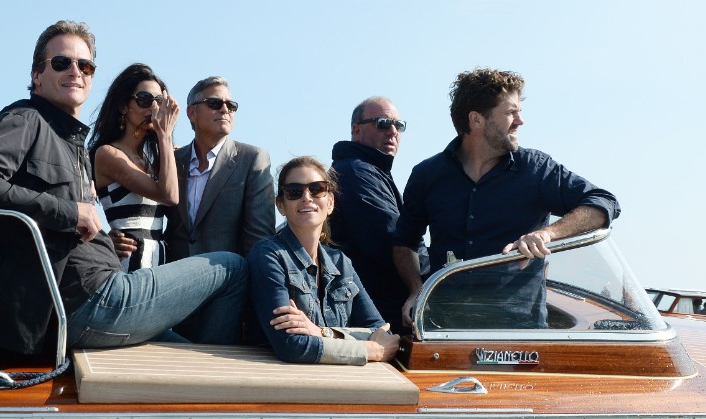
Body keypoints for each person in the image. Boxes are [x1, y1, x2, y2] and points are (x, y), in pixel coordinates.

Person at [0, 20, 247, 355]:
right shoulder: (26, 119)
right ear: (37, 76)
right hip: (89, 299)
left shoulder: (72, 143)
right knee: (231, 267)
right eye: (62, 63)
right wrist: (70, 211)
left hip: (99, 294)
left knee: (195, 360)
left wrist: (105, 238)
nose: (75, 71)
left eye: (85, 65)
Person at [393, 68, 620, 328]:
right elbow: (404, 242)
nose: (520, 121)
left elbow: (604, 203)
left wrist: (546, 235)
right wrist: (416, 289)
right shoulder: (426, 175)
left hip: (520, 332)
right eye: (511, 112)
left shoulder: (537, 169)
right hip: (443, 327)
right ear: (476, 120)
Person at [248, 156, 399, 365]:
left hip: (340, 382)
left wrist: (321, 332)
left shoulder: (341, 262)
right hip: (281, 382)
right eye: (294, 191)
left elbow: (383, 333)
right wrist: (366, 349)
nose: (306, 197)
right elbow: (290, 346)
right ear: (280, 205)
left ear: (330, 202)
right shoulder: (269, 255)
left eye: (317, 189)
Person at [115, 76, 275, 262]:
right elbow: (141, 212)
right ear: (192, 112)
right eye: (214, 103)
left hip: (229, 284)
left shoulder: (253, 160)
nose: (225, 109)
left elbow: (259, 241)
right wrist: (111, 238)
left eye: (231, 106)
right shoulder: (169, 161)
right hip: (174, 282)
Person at [329, 96, 427, 335]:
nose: (392, 131)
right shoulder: (355, 172)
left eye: (399, 125)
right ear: (356, 130)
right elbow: (393, 241)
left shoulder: (370, 170)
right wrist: (441, 279)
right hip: (378, 315)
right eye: (383, 123)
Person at [89, 63, 179, 272]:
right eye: (145, 100)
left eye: (159, 101)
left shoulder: (151, 160)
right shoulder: (108, 154)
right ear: (123, 106)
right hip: (130, 268)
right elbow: (169, 195)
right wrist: (164, 134)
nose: (154, 108)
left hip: (157, 266)